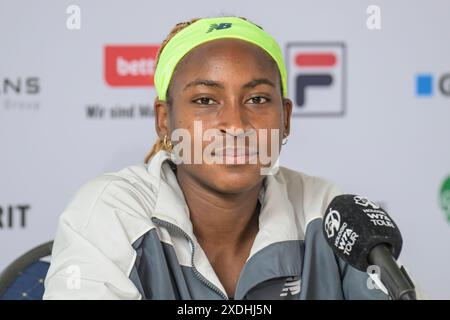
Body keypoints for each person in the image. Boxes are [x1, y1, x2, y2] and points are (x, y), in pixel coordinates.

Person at [44, 16, 393, 300]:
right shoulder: (111, 212)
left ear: (285, 118)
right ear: (165, 120)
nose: (236, 125)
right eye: (205, 101)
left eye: (257, 99)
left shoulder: (326, 211)